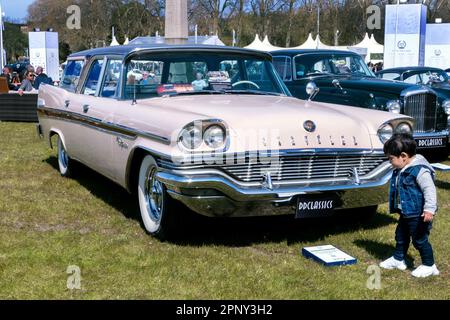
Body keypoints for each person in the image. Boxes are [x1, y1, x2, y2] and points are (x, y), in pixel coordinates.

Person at [379, 133, 439, 278]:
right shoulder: (402, 168)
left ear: (404, 156)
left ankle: (429, 265)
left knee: (419, 239)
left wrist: (429, 210)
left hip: (419, 214)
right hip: (406, 212)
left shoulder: (420, 170)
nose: (390, 162)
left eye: (391, 158)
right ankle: (399, 259)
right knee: (401, 236)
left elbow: (429, 190)